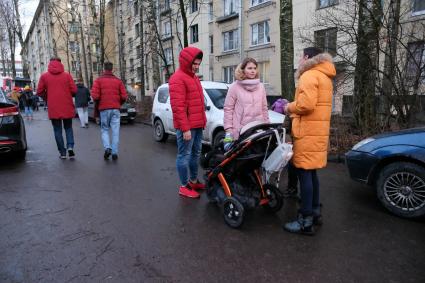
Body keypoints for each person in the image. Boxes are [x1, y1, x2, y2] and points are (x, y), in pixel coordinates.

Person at [282, 47, 336, 235]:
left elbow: (306, 104)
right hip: (318, 131)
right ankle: (315, 212)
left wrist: (288, 107)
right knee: (311, 174)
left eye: (300, 56)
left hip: (307, 132)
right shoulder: (325, 76)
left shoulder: (308, 75)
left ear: (306, 57)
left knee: (304, 173)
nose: (299, 60)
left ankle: (305, 221)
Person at [169, 46, 206, 199]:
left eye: (198, 64)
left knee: (196, 153)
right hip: (187, 127)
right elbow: (178, 107)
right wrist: (185, 129)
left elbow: (198, 102)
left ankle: (193, 180)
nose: (197, 66)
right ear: (186, 62)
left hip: (197, 124)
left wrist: (202, 121)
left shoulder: (194, 77)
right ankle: (184, 186)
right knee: (184, 155)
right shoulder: (177, 78)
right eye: (194, 64)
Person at [223, 57, 270, 151]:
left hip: (258, 128)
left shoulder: (261, 87)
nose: (253, 71)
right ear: (243, 70)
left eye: (254, 68)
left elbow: (264, 108)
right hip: (241, 130)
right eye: (249, 68)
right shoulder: (234, 87)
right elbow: (228, 108)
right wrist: (228, 129)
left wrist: (267, 125)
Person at [37, 57, 77, 159]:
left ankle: (62, 153)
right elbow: (74, 90)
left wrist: (48, 97)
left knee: (57, 130)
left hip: (53, 107)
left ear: (50, 63)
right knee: (68, 128)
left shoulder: (44, 76)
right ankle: (70, 147)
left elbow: (40, 91)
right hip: (67, 105)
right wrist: (68, 94)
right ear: (60, 63)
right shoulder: (67, 76)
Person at [91, 62, 127, 161]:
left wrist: (99, 102)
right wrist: (118, 103)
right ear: (112, 69)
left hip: (104, 109)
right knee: (115, 131)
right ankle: (114, 152)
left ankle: (107, 148)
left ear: (104, 69)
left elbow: (95, 96)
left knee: (105, 129)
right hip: (115, 109)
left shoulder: (98, 81)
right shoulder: (118, 81)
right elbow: (124, 96)